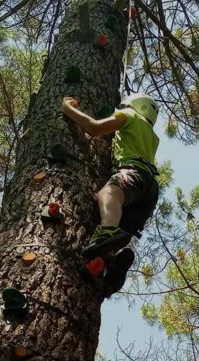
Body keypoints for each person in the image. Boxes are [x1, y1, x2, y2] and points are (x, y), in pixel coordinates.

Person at [61, 92, 160, 296]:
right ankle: (109, 264)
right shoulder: (152, 135)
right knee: (118, 222)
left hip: (133, 172)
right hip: (149, 191)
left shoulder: (129, 116)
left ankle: (107, 232)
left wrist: (68, 109)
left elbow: (94, 128)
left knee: (109, 194)